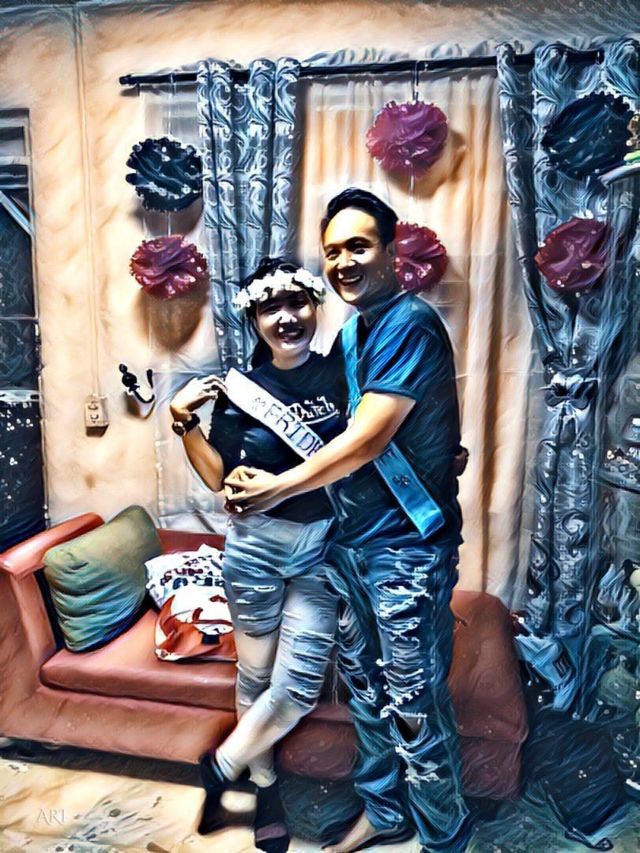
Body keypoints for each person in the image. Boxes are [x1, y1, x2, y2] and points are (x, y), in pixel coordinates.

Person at [225, 189, 472, 853]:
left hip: (405, 550)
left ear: (392, 251)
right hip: (351, 545)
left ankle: (444, 836)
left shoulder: (411, 320)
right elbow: (362, 430)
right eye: (332, 251)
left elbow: (366, 438)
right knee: (367, 693)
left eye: (358, 246)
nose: (343, 262)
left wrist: (278, 487)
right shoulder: (355, 332)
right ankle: (385, 815)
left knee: (414, 702)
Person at [169, 257, 346, 853]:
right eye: (271, 308)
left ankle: (220, 766)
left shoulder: (343, 371)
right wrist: (183, 421)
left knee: (298, 687)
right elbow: (218, 478)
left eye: (297, 303)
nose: (287, 317)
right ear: (255, 319)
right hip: (254, 552)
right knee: (256, 675)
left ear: (314, 307)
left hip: (323, 549)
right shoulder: (240, 390)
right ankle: (266, 791)